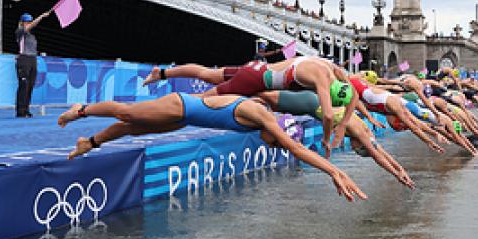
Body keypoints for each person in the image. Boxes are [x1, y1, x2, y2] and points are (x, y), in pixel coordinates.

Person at [57, 94, 368, 202]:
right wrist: (334, 171)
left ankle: (91, 142)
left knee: (132, 128)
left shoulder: (264, 121)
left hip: (185, 118)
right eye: (279, 145)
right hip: (181, 106)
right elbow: (298, 150)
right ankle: (81, 110)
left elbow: (293, 148)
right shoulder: (263, 118)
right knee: (128, 113)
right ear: (279, 132)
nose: (277, 148)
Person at [142, 57, 357, 158]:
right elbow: (328, 115)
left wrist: (346, 120)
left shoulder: (330, 68)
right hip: (255, 81)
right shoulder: (322, 80)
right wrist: (328, 140)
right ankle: (161, 107)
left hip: (255, 67)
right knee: (202, 101)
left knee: (206, 73)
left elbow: (354, 94)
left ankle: (160, 73)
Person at [257, 90, 415, 188]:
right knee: (260, 97)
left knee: (263, 100)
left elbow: (381, 153)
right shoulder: (360, 133)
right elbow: (377, 156)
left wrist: (399, 169)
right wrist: (396, 175)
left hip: (314, 103)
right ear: (361, 144)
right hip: (309, 104)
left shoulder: (368, 135)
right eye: (358, 149)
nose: (354, 149)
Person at [15, 10, 51, 118]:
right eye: (27, 22)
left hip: (32, 59)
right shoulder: (20, 31)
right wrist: (41, 16)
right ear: (22, 22)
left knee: (30, 86)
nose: (29, 23)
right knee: (24, 85)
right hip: (24, 59)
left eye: (30, 21)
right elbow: (31, 26)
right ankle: (20, 110)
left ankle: (26, 109)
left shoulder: (32, 36)